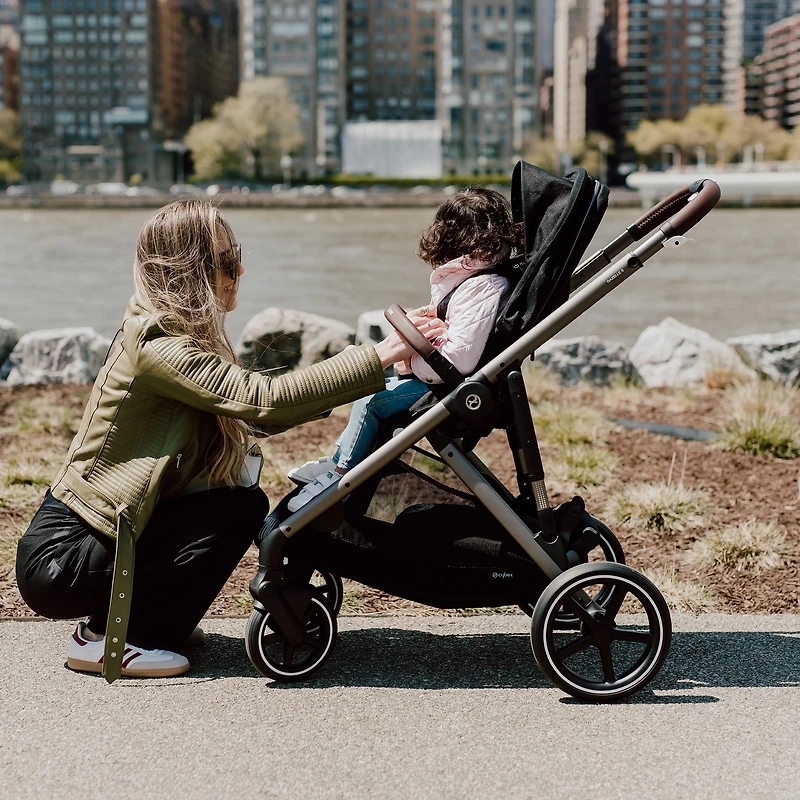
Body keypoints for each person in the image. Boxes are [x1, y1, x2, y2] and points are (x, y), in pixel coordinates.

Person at [14, 197, 443, 682]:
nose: (238, 268)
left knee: (233, 501)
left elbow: (255, 417)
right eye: (223, 261)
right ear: (187, 270)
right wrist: (378, 355)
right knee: (236, 507)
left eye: (235, 254)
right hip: (63, 556)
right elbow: (262, 399)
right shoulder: (157, 345)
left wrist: (373, 379)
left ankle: (145, 619)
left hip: (96, 540)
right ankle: (116, 639)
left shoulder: (177, 335)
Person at [286, 186, 522, 512]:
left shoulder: (482, 285)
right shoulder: (472, 279)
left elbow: (459, 358)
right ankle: (342, 460)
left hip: (450, 386)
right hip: (441, 379)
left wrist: (411, 359)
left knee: (372, 401)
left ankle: (339, 478)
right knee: (372, 391)